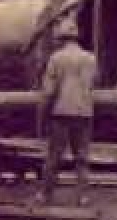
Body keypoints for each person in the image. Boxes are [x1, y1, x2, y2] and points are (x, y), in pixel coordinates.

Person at [37, 16, 97, 207]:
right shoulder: (90, 59)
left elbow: (48, 91)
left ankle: (46, 196)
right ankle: (82, 197)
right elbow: (92, 84)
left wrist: (41, 117)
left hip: (61, 112)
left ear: (61, 38)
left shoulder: (56, 58)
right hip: (84, 112)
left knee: (54, 156)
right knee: (82, 157)